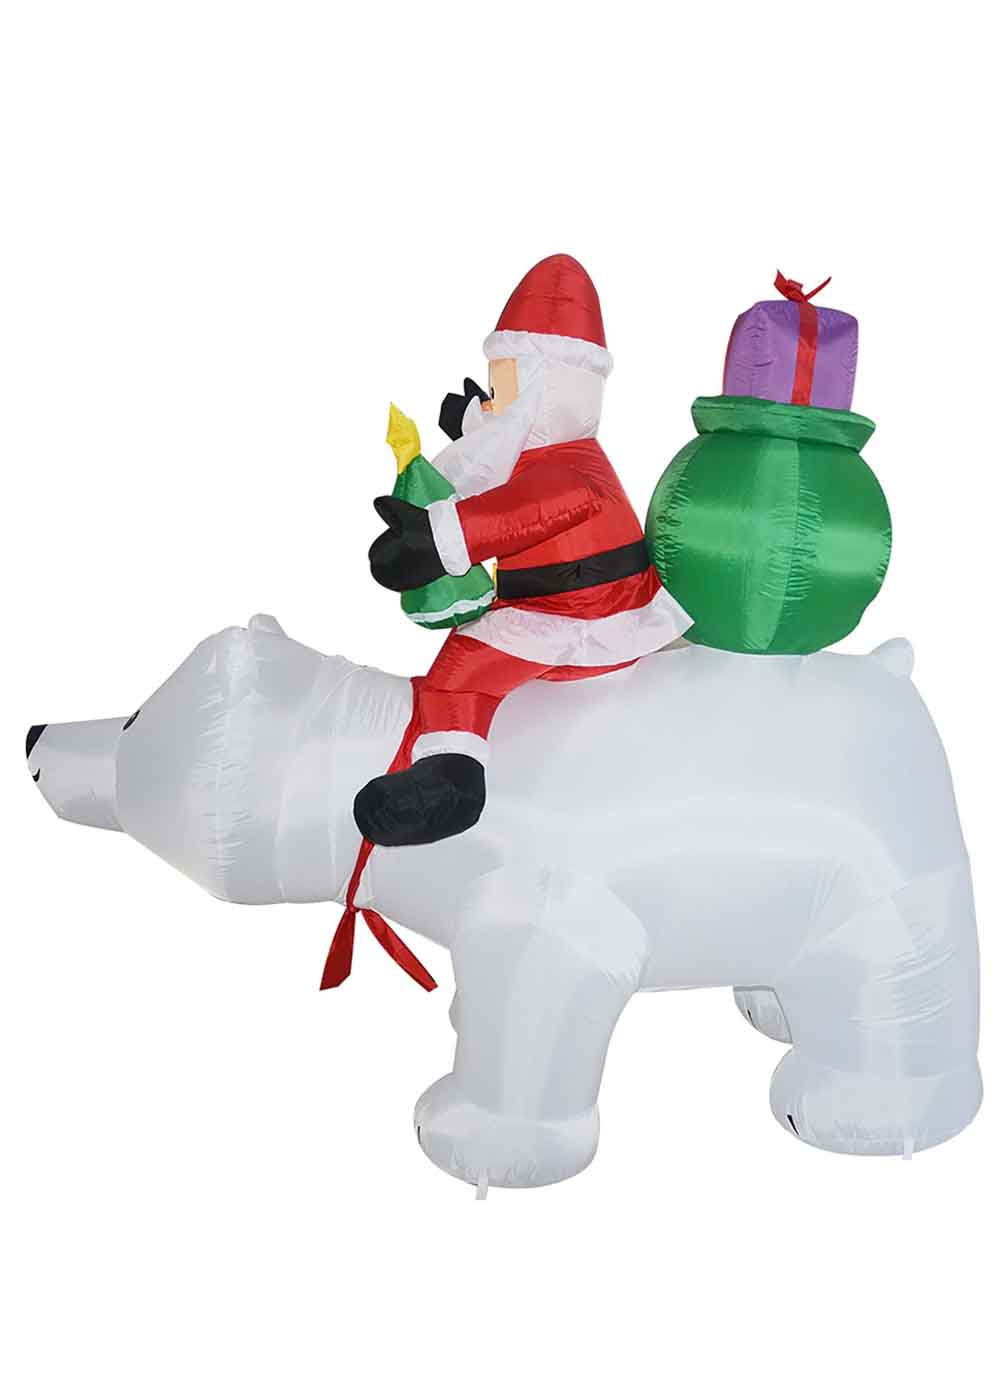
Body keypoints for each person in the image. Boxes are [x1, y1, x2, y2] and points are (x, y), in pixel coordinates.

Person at [356, 254, 691, 846]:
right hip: (563, 610)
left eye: (502, 385)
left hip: (583, 619)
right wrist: (472, 424)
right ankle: (448, 772)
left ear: (543, 383)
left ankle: (453, 782)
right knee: (463, 667)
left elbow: (524, 512)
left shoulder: (568, 468)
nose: (495, 401)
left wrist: (438, 541)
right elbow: (505, 447)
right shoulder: (551, 449)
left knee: (461, 671)